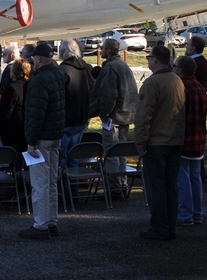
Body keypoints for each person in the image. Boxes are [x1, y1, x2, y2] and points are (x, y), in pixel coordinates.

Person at [134, 45, 186, 241]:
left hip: (157, 142)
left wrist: (141, 144)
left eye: (149, 57)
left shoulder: (152, 83)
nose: (148, 60)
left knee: (156, 187)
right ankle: (169, 226)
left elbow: (143, 116)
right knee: (170, 186)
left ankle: (159, 227)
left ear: (155, 60)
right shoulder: (177, 80)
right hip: (175, 140)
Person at [18, 42, 66, 240]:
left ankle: (40, 224)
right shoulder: (58, 75)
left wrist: (31, 141)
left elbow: (36, 114)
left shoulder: (39, 80)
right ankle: (51, 221)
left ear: (38, 58)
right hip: (55, 133)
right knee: (52, 181)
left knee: (39, 183)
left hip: (42, 137)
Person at [90, 38, 139, 193]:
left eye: (103, 48)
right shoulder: (123, 65)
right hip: (125, 114)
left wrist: (104, 113)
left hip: (114, 116)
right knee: (121, 152)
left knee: (111, 152)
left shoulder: (111, 67)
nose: (101, 50)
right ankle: (122, 183)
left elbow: (109, 95)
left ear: (109, 50)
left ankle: (113, 187)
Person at [174, 56, 207, 227]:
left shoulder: (181, 87)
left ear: (180, 70)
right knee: (195, 178)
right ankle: (197, 213)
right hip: (199, 138)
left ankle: (186, 214)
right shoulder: (200, 87)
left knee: (183, 179)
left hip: (185, 138)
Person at [57, 39, 94, 174]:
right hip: (80, 118)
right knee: (73, 159)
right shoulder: (84, 68)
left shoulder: (62, 70)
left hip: (66, 119)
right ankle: (74, 190)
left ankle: (63, 191)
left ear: (63, 51)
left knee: (62, 159)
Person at [0, 58, 30, 158]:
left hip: (13, 129)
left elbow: (5, 112)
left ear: (14, 72)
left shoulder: (12, 89)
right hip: (26, 127)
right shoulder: (30, 85)